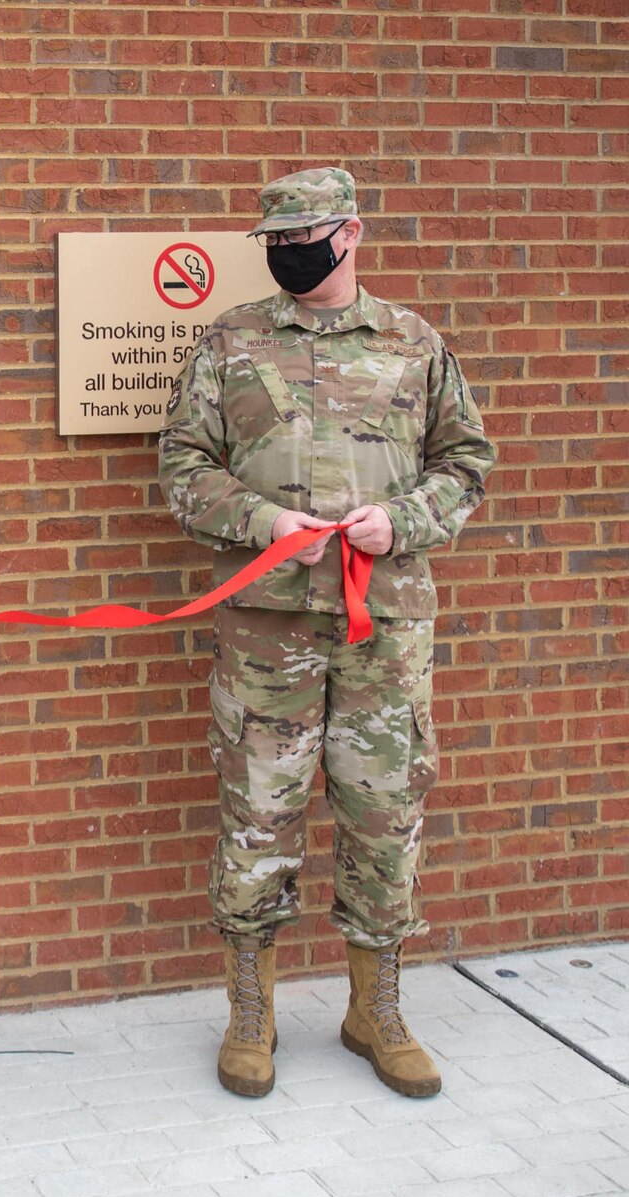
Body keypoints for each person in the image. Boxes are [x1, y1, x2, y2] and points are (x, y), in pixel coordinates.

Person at [158, 168, 495, 1102]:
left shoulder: (414, 343)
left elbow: (466, 464)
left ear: (351, 233)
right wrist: (260, 521)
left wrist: (409, 520)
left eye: (303, 235)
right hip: (268, 634)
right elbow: (181, 464)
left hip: (382, 630)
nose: (286, 252)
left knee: (384, 814)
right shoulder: (232, 341)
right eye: (274, 238)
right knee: (258, 813)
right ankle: (251, 1011)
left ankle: (374, 1009)